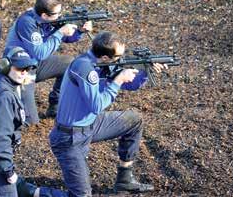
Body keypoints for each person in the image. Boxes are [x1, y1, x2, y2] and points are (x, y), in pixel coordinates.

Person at [49, 31, 168, 196]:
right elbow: (96, 106)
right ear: (105, 57)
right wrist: (118, 80)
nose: (122, 59)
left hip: (90, 125)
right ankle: (32, 191)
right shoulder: (84, 68)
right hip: (68, 137)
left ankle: (124, 180)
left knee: (134, 121)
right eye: (119, 56)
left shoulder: (101, 64)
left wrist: (146, 71)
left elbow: (131, 85)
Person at [0, 46, 68, 197]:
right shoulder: (5, 98)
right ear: (5, 66)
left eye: (27, 69)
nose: (24, 72)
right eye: (20, 68)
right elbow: (0, 139)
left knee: (19, 188)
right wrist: (7, 171)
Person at [4, 0, 93, 124]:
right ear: (44, 15)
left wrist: (79, 31)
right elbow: (41, 53)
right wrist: (60, 32)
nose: (60, 16)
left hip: (35, 64)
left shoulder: (47, 18)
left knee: (70, 63)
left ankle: (55, 105)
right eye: (56, 14)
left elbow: (67, 37)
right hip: (18, 70)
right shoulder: (27, 22)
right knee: (31, 121)